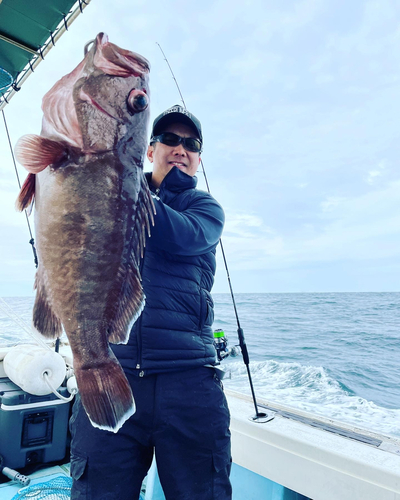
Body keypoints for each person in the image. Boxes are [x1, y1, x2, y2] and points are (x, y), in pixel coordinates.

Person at [70, 104, 232, 500]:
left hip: (189, 380)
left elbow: (183, 236)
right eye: (170, 140)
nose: (180, 148)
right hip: (112, 372)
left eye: (190, 144)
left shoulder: (204, 209)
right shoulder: (111, 198)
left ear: (198, 159)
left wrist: (122, 189)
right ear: (150, 149)